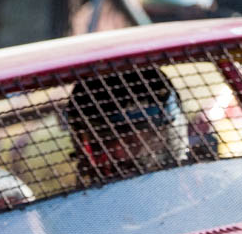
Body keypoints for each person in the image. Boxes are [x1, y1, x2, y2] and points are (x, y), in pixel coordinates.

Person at [63, 66, 193, 183]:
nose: (119, 154)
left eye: (131, 142)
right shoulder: (81, 198)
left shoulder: (189, 181)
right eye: (106, 141)